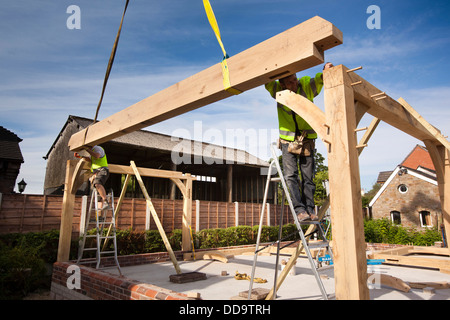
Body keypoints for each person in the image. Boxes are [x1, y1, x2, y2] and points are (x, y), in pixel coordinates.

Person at [265, 62, 333, 221]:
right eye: (290, 82)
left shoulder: (305, 85)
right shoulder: (277, 90)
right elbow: (266, 80)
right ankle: (299, 210)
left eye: (295, 79)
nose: (294, 83)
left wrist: (326, 72)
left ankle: (310, 209)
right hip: (288, 140)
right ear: (281, 84)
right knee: (291, 176)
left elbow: (318, 80)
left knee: (308, 177)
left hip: (307, 139)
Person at [75, 145, 110, 210]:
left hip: (102, 170)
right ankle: (99, 213)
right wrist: (80, 156)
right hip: (96, 172)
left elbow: (97, 156)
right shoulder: (92, 152)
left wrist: (86, 149)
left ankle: (105, 202)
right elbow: (89, 159)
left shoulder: (97, 148)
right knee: (96, 189)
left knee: (97, 183)